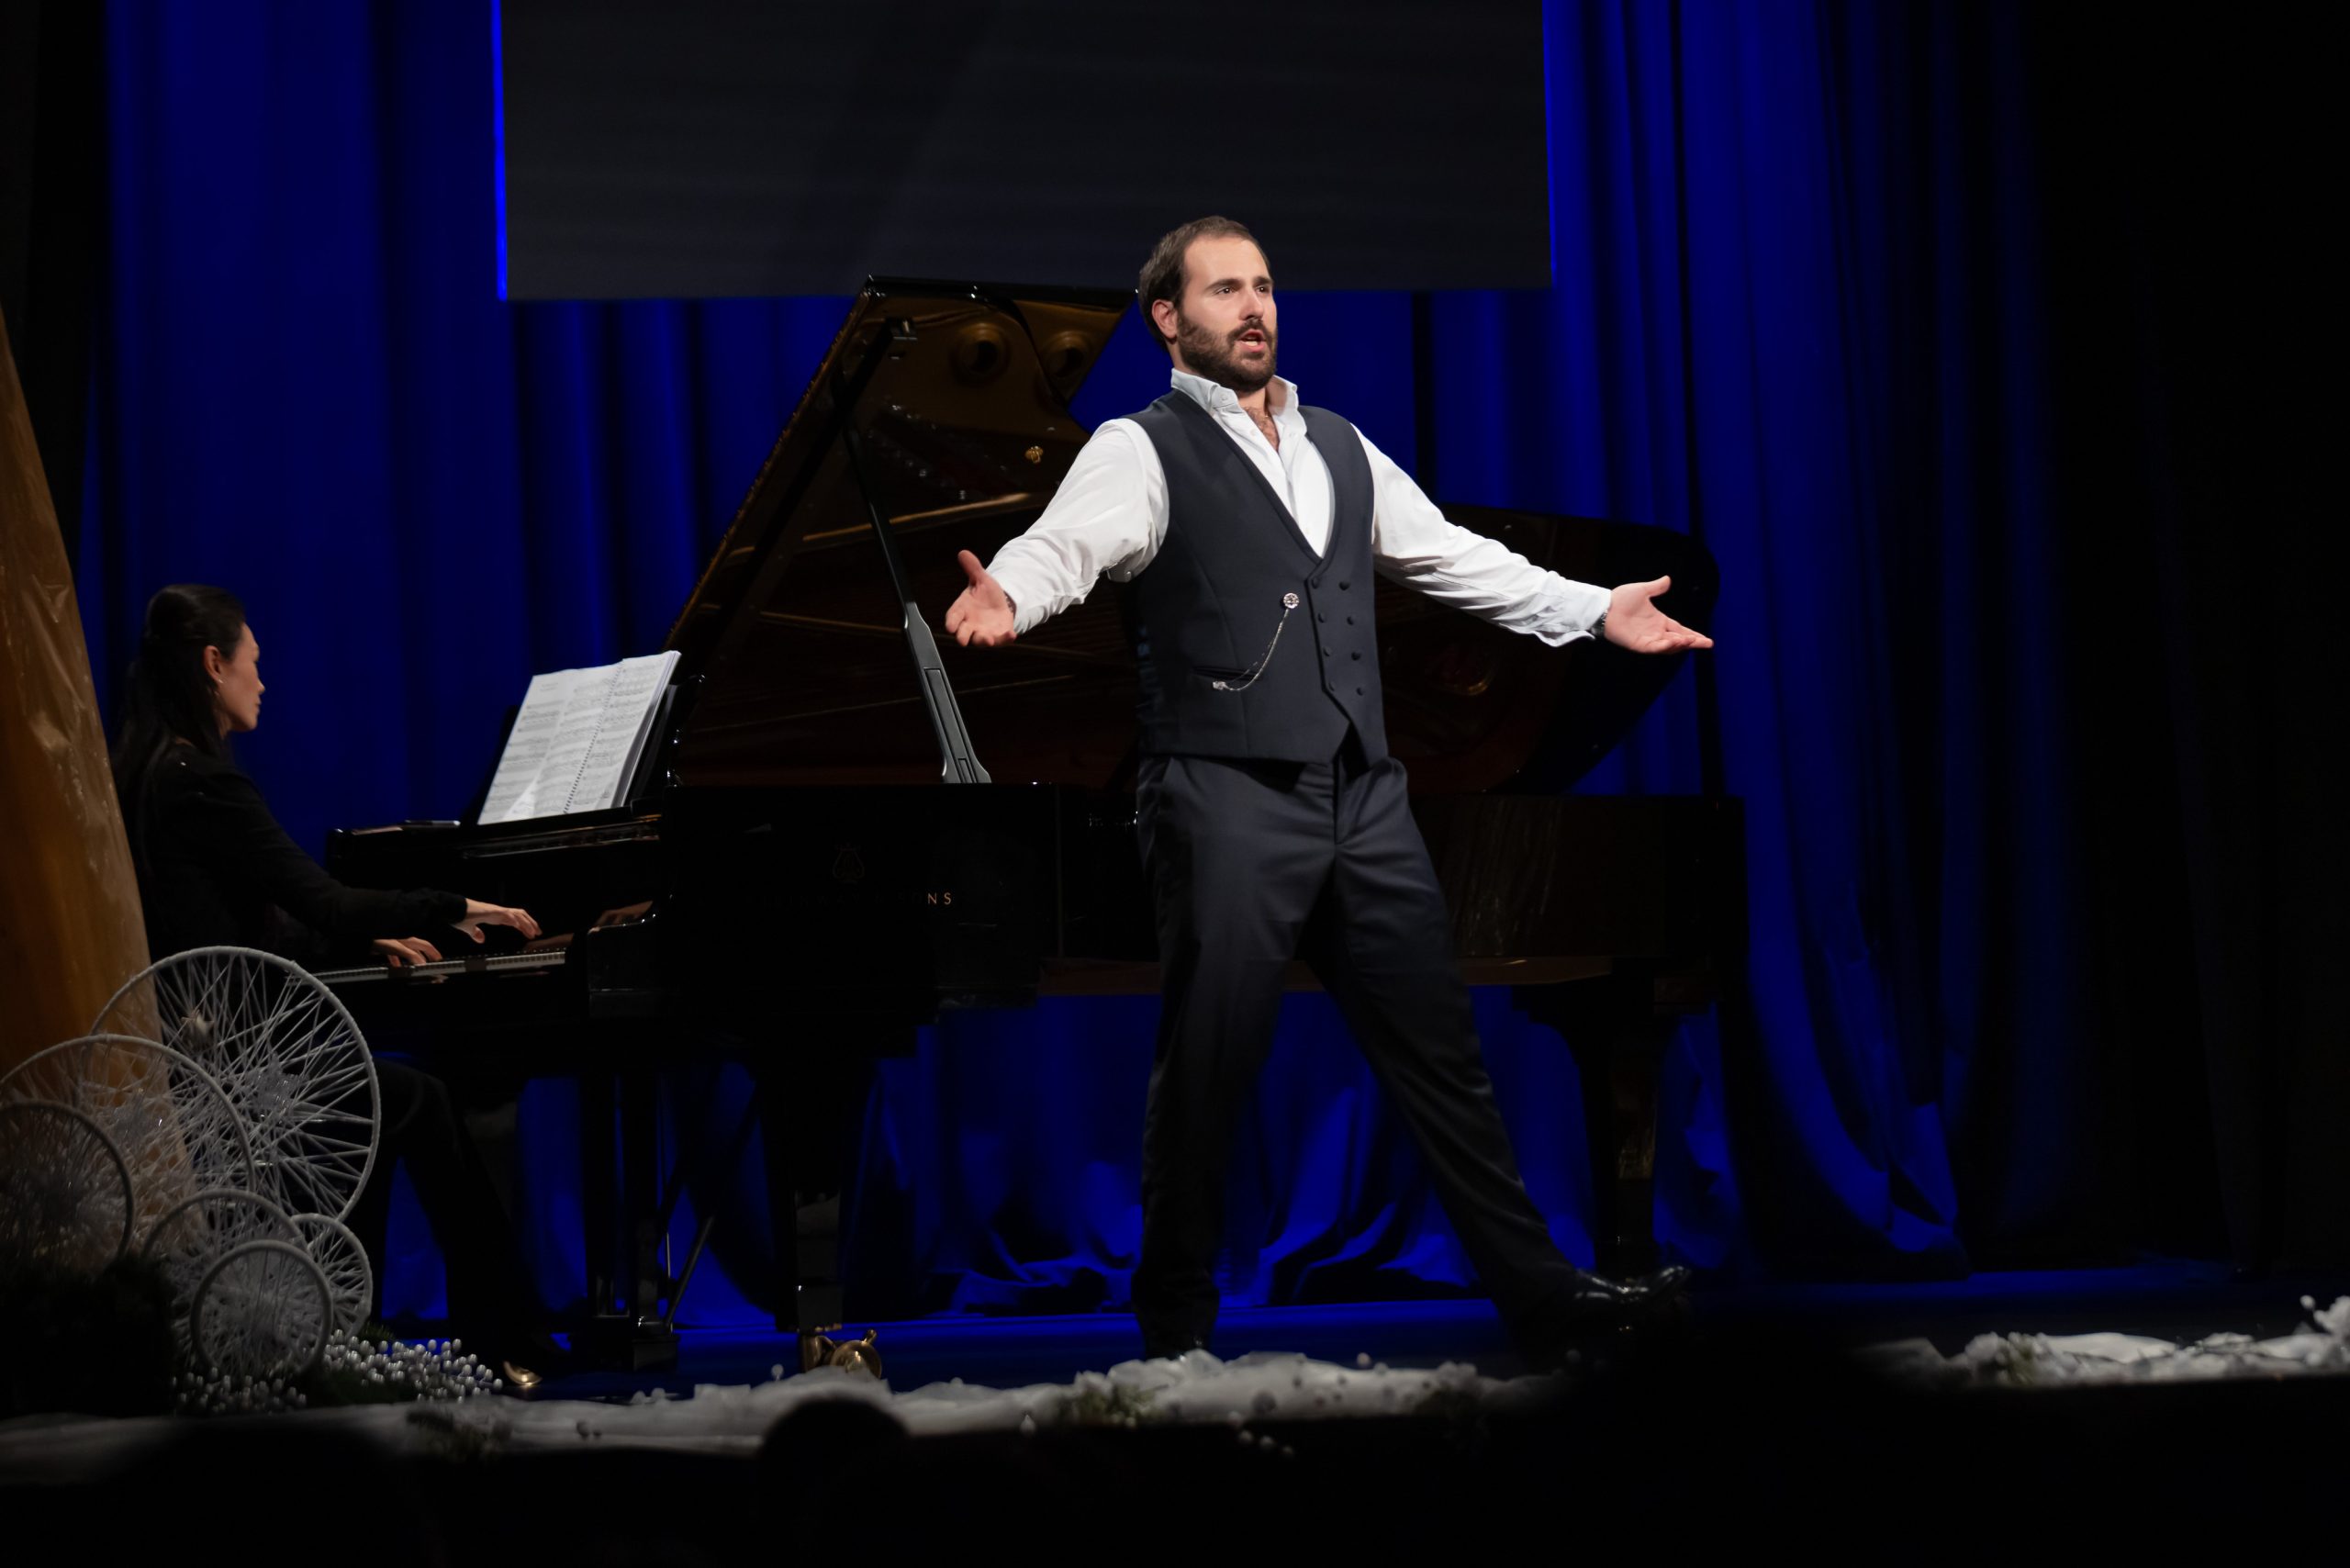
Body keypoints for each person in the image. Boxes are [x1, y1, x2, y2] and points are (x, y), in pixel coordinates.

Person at [944, 218, 1715, 1365]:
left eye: (1262, 286)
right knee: (1208, 1069)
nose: (1253, 307)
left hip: (1364, 797)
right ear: (1169, 319)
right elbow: (1067, 545)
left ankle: (1547, 1304)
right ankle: (1175, 1331)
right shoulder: (1139, 446)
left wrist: (1594, 609)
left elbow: (1454, 557)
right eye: (1223, 290)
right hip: (1220, 793)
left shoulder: (1339, 445)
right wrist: (1010, 593)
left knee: (1444, 1063)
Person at [110, 582, 555, 1383]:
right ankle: (502, 1336)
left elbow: (237, 919)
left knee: (381, 1100)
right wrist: (456, 905)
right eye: (253, 662)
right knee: (416, 1099)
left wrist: (360, 933)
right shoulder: (207, 783)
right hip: (237, 1077)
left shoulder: (144, 773)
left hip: (183, 1057)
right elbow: (324, 900)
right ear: (213, 664)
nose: (263, 679)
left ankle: (356, 1329)